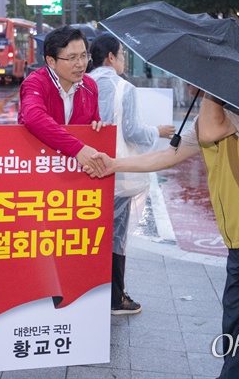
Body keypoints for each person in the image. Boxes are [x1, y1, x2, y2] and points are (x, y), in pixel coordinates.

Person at [86, 89, 239, 379]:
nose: (189, 84)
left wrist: (209, 91)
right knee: (237, 327)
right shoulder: (215, 114)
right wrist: (114, 164)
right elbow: (169, 155)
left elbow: (209, 133)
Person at [88, 34, 175, 315]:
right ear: (110, 57)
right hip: (118, 174)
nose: (124, 59)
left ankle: (87, 291)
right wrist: (157, 132)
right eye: (122, 54)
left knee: (89, 233)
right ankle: (115, 298)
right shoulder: (124, 88)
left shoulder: (83, 84)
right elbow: (133, 133)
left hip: (85, 169)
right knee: (116, 235)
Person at [18, 25, 105, 174]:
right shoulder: (35, 83)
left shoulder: (90, 86)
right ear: (51, 61)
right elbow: (34, 118)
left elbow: (93, 121)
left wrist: (97, 127)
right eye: (72, 58)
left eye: (84, 56)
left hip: (72, 175)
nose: (81, 64)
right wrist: (77, 149)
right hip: (36, 167)